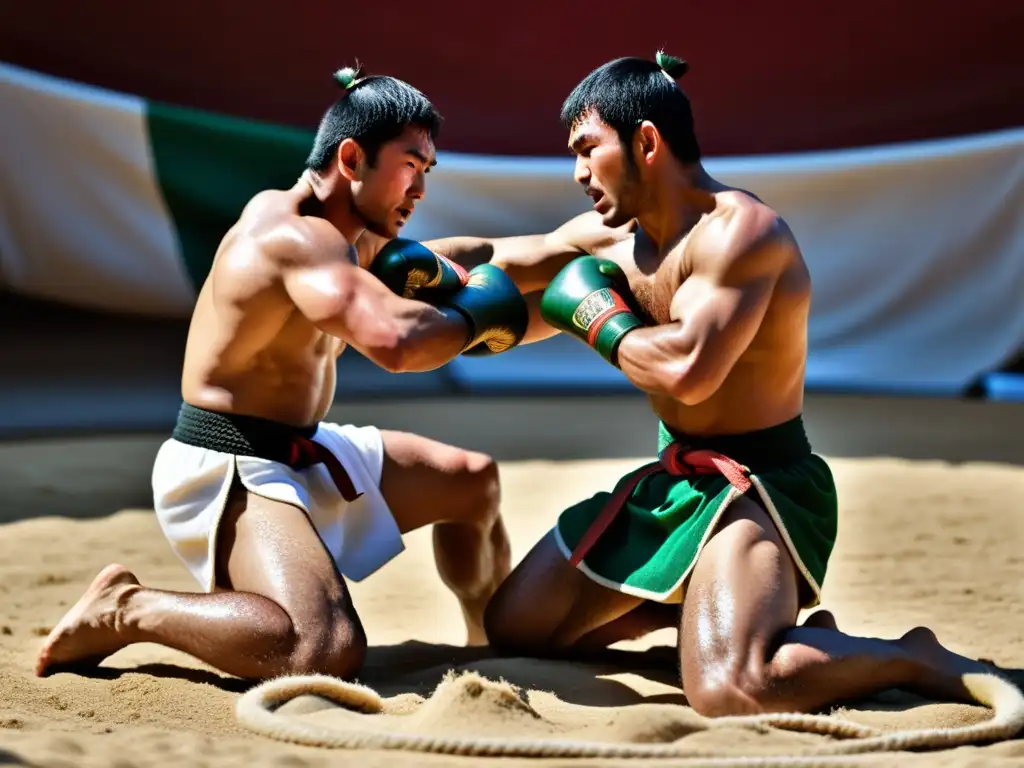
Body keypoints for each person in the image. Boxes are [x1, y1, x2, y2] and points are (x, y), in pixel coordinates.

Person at [360, 53, 999, 716]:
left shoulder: (743, 235)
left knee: (731, 686)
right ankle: (709, 616)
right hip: (673, 482)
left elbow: (690, 372)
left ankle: (911, 655)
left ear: (646, 141)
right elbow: (492, 258)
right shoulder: (606, 239)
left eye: (587, 150)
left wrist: (596, 318)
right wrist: (370, 256)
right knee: (519, 627)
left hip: (759, 488)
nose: (578, 173)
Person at [35, 67, 531, 682]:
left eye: (428, 171)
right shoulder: (290, 236)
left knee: (470, 482)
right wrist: (479, 311)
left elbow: (486, 257)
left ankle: (488, 648)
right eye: (411, 164)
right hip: (230, 463)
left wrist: (597, 248)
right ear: (352, 158)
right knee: (319, 650)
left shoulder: (355, 238)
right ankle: (128, 608)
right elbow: (397, 343)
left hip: (303, 447)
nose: (421, 187)